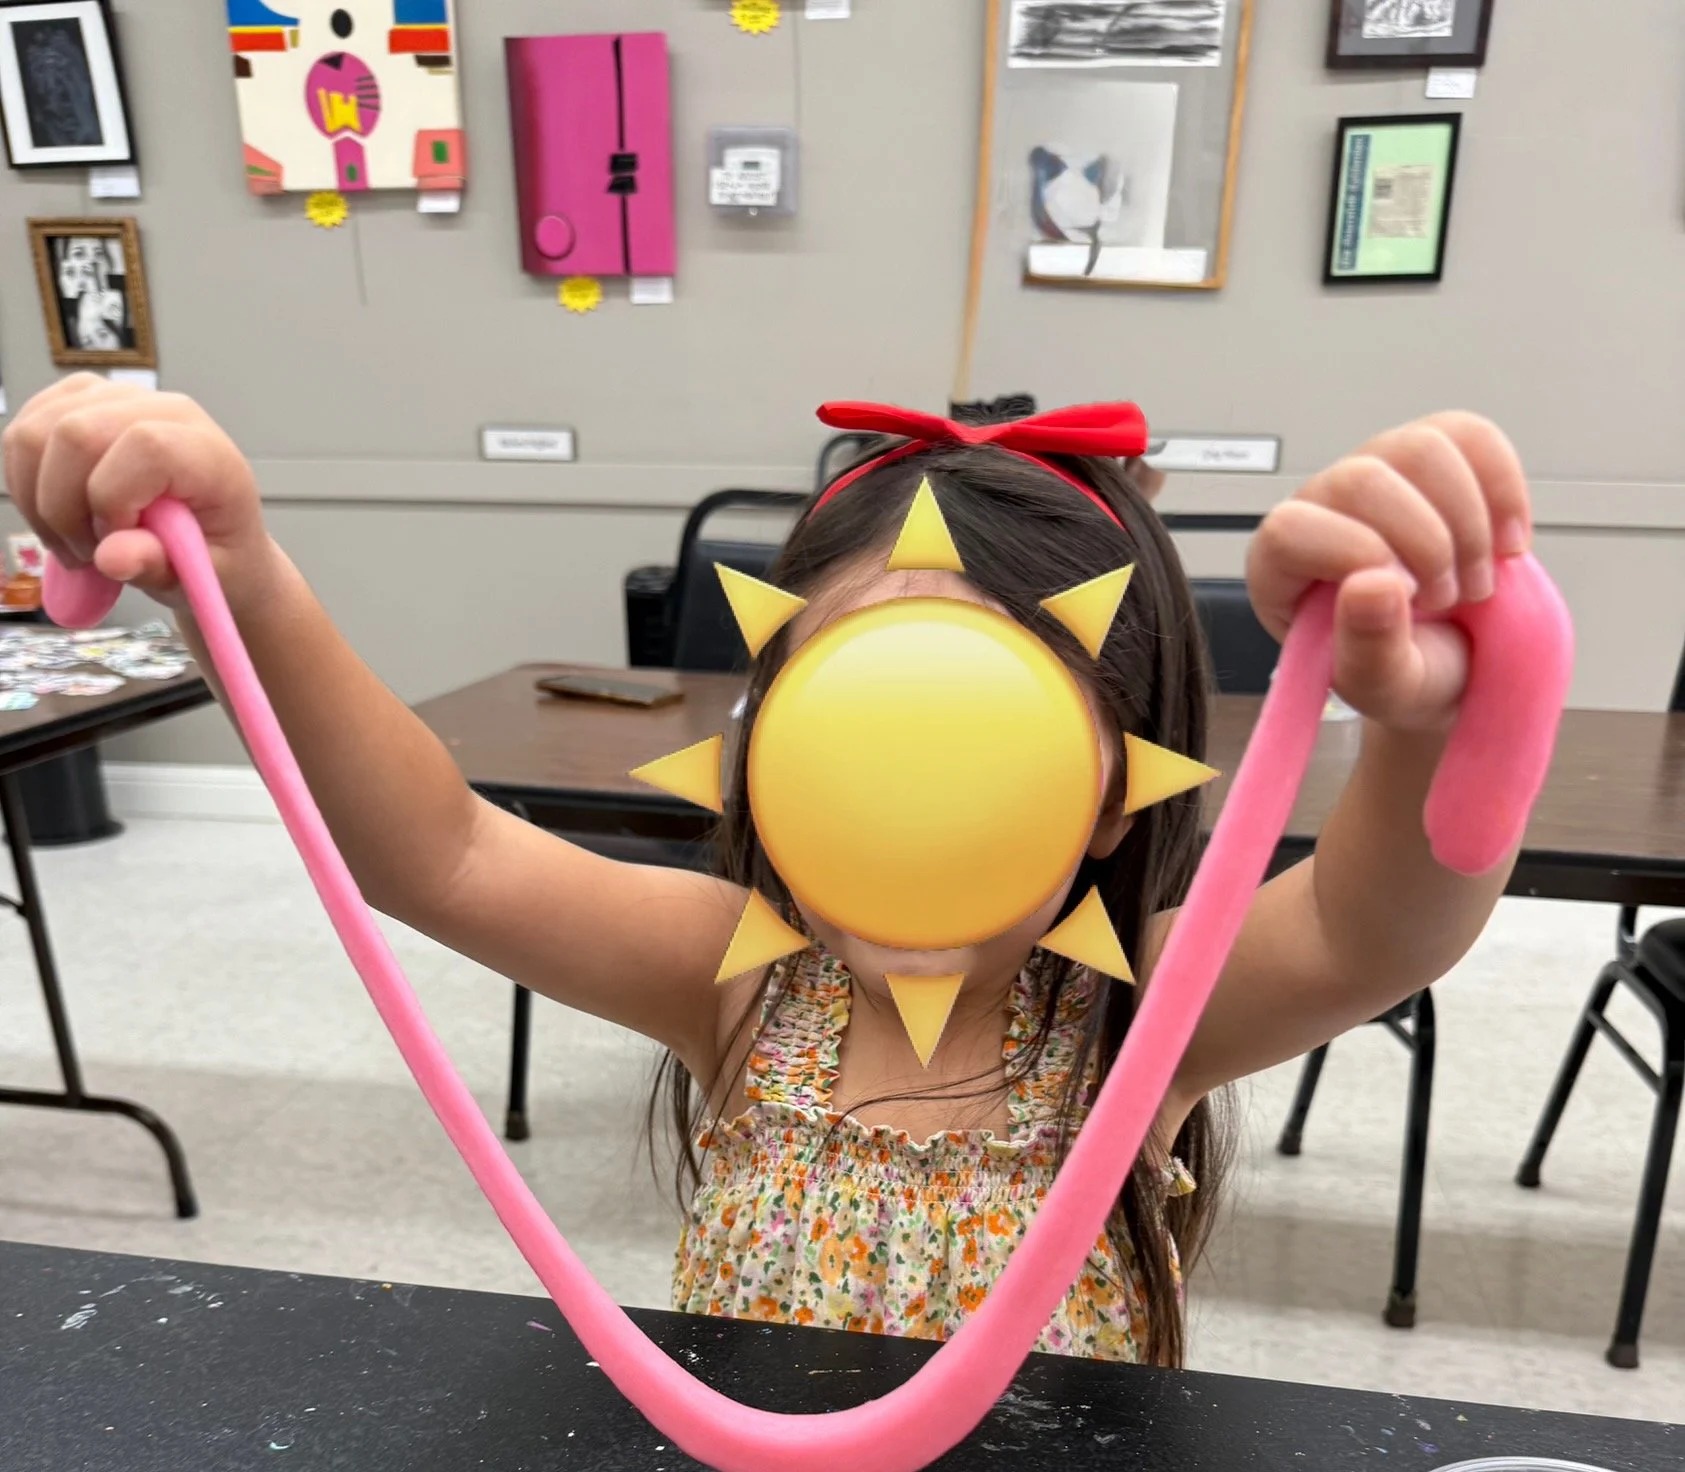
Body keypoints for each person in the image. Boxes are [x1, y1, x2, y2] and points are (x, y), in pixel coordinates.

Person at [4, 377, 1535, 1365]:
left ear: (1114, 799)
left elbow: (1371, 924)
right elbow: (444, 848)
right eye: (851, 730)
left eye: (978, 747)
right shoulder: (733, 980)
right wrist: (246, 577)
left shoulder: (1144, 1023)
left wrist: (1451, 714)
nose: (907, 799)